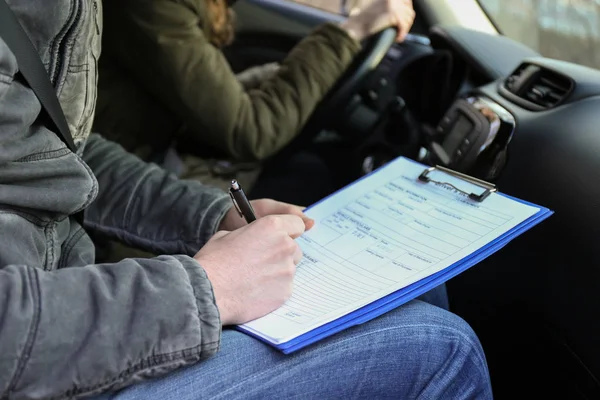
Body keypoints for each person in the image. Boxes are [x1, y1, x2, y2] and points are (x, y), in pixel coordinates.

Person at [0, 1, 492, 399]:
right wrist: (207, 288)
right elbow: (248, 129)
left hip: (61, 297)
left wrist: (212, 213)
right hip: (47, 357)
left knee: (418, 290)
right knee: (446, 347)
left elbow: (60, 157)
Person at [92, 0, 417, 192]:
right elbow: (251, 131)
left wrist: (296, 73)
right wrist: (352, 31)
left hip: (157, 155)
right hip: (121, 183)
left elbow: (219, 97)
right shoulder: (151, 6)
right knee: (320, 182)